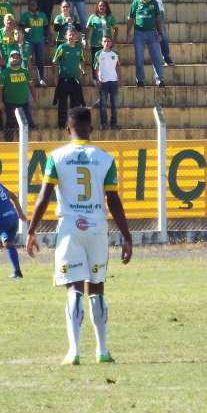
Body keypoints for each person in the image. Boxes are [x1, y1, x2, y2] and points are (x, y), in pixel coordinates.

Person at [25, 106, 133, 365]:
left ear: (67, 128)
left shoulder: (56, 157)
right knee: (97, 287)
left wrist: (31, 229)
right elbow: (113, 199)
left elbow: (44, 196)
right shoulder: (104, 158)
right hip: (97, 227)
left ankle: (74, 351)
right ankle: (103, 350)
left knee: (74, 286)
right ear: (91, 129)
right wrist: (127, 236)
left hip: (70, 227)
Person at [135, 0, 174, 66]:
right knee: (148, 35)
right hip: (147, 11)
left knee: (163, 35)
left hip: (159, 11)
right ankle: (150, 59)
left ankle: (166, 58)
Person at [126, 0, 164, 88]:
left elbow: (158, 19)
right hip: (139, 33)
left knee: (156, 57)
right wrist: (128, 33)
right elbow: (131, 19)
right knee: (139, 57)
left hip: (152, 33)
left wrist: (160, 33)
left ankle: (159, 80)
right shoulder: (135, 3)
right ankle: (140, 80)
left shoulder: (154, 3)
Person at [53, 27, 85, 129]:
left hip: (75, 79)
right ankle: (61, 124)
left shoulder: (79, 48)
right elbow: (54, 61)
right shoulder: (62, 47)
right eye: (69, 35)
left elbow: (82, 60)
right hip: (64, 79)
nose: (71, 36)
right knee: (62, 102)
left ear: (76, 36)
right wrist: (55, 76)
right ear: (66, 36)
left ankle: (73, 125)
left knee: (75, 104)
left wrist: (82, 70)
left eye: (73, 34)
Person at [0, 49, 35, 140]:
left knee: (25, 124)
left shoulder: (25, 72)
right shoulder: (4, 73)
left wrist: (34, 98)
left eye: (17, 57)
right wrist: (0, 102)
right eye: (13, 57)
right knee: (10, 124)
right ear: (9, 59)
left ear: (20, 59)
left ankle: (24, 144)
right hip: (10, 103)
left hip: (24, 103)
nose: (15, 59)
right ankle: (8, 145)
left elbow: (31, 85)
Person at [20, 0, 50, 87]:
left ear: (37, 5)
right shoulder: (25, 15)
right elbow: (20, 26)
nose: (33, 5)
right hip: (29, 41)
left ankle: (41, 79)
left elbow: (46, 27)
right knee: (27, 60)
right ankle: (27, 79)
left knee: (40, 60)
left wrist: (49, 36)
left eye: (34, 4)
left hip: (40, 40)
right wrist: (25, 29)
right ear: (28, 5)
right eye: (31, 4)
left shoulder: (42, 15)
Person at [94, 34, 120, 130]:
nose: (106, 43)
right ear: (102, 43)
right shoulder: (98, 54)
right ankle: (104, 123)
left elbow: (118, 66)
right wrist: (98, 80)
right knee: (103, 104)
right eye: (104, 41)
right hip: (103, 81)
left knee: (114, 104)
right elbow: (96, 68)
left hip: (113, 81)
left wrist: (119, 79)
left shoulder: (115, 53)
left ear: (111, 43)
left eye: (108, 41)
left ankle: (114, 123)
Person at [85, 0, 117, 79]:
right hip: (95, 44)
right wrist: (85, 40)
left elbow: (116, 29)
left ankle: (107, 78)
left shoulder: (110, 17)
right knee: (95, 62)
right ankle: (95, 79)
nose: (101, 7)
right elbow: (87, 30)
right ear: (97, 7)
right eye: (100, 6)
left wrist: (114, 40)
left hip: (107, 45)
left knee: (107, 62)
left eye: (103, 6)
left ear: (106, 7)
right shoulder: (93, 17)